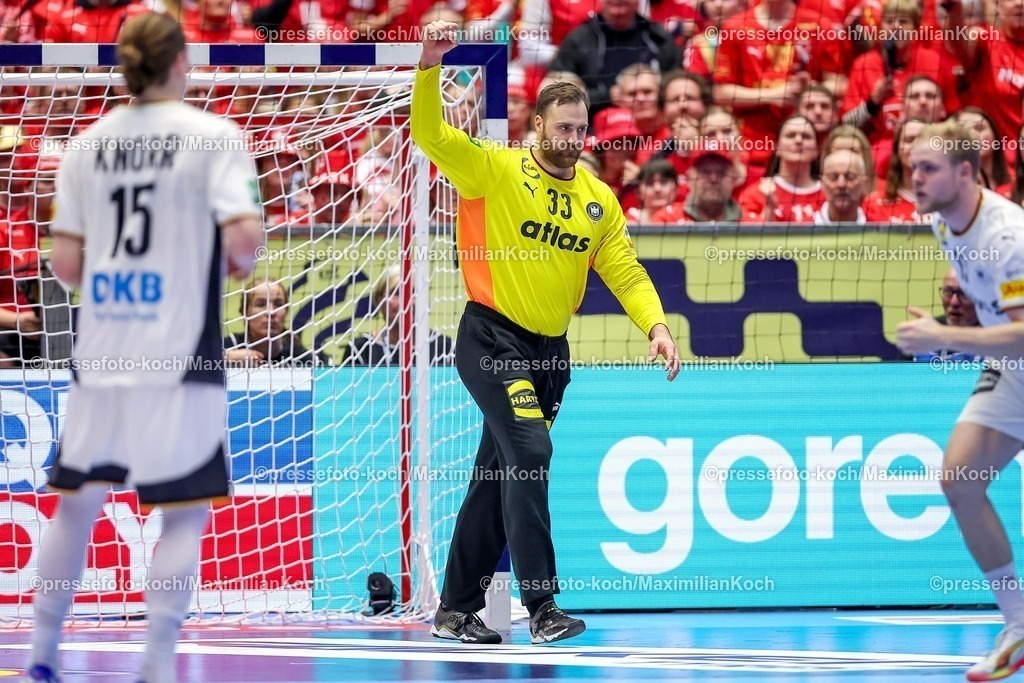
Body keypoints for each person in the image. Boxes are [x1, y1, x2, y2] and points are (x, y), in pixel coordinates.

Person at [412, 20, 680, 646]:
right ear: (537, 126)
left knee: (497, 473)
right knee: (530, 455)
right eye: (563, 128)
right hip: (492, 339)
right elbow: (428, 133)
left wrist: (657, 326)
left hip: (549, 354)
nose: (574, 139)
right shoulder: (494, 171)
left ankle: (454, 607)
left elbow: (626, 272)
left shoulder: (597, 199)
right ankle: (542, 608)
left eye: (581, 129)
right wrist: (428, 67)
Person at [23, 13, 264, 683]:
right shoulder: (216, 138)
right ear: (183, 62)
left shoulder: (85, 145)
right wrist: (209, 264)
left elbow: (66, 265)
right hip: (181, 351)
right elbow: (245, 241)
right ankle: (156, 665)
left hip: (103, 347)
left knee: (76, 503)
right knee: (183, 511)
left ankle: (42, 654)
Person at [897, 119, 1024, 682]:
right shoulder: (944, 224)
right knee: (960, 478)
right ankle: (1019, 625)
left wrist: (945, 336)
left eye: (929, 168)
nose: (915, 177)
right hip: (1013, 368)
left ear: (966, 173)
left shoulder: (1006, 236)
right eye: (912, 166)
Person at [346, 265, 454, 366]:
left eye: (413, 293)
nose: (407, 302)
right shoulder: (360, 350)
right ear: (379, 299)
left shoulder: (446, 349)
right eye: (396, 293)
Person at [224, 278, 327, 366]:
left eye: (278, 304)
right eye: (260, 304)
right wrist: (226, 358)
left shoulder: (299, 357)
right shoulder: (229, 346)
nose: (271, 312)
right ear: (245, 312)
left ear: (286, 311)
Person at [912, 267, 981, 362]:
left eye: (964, 293)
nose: (954, 302)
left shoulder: (999, 335)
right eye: (948, 292)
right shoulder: (922, 336)